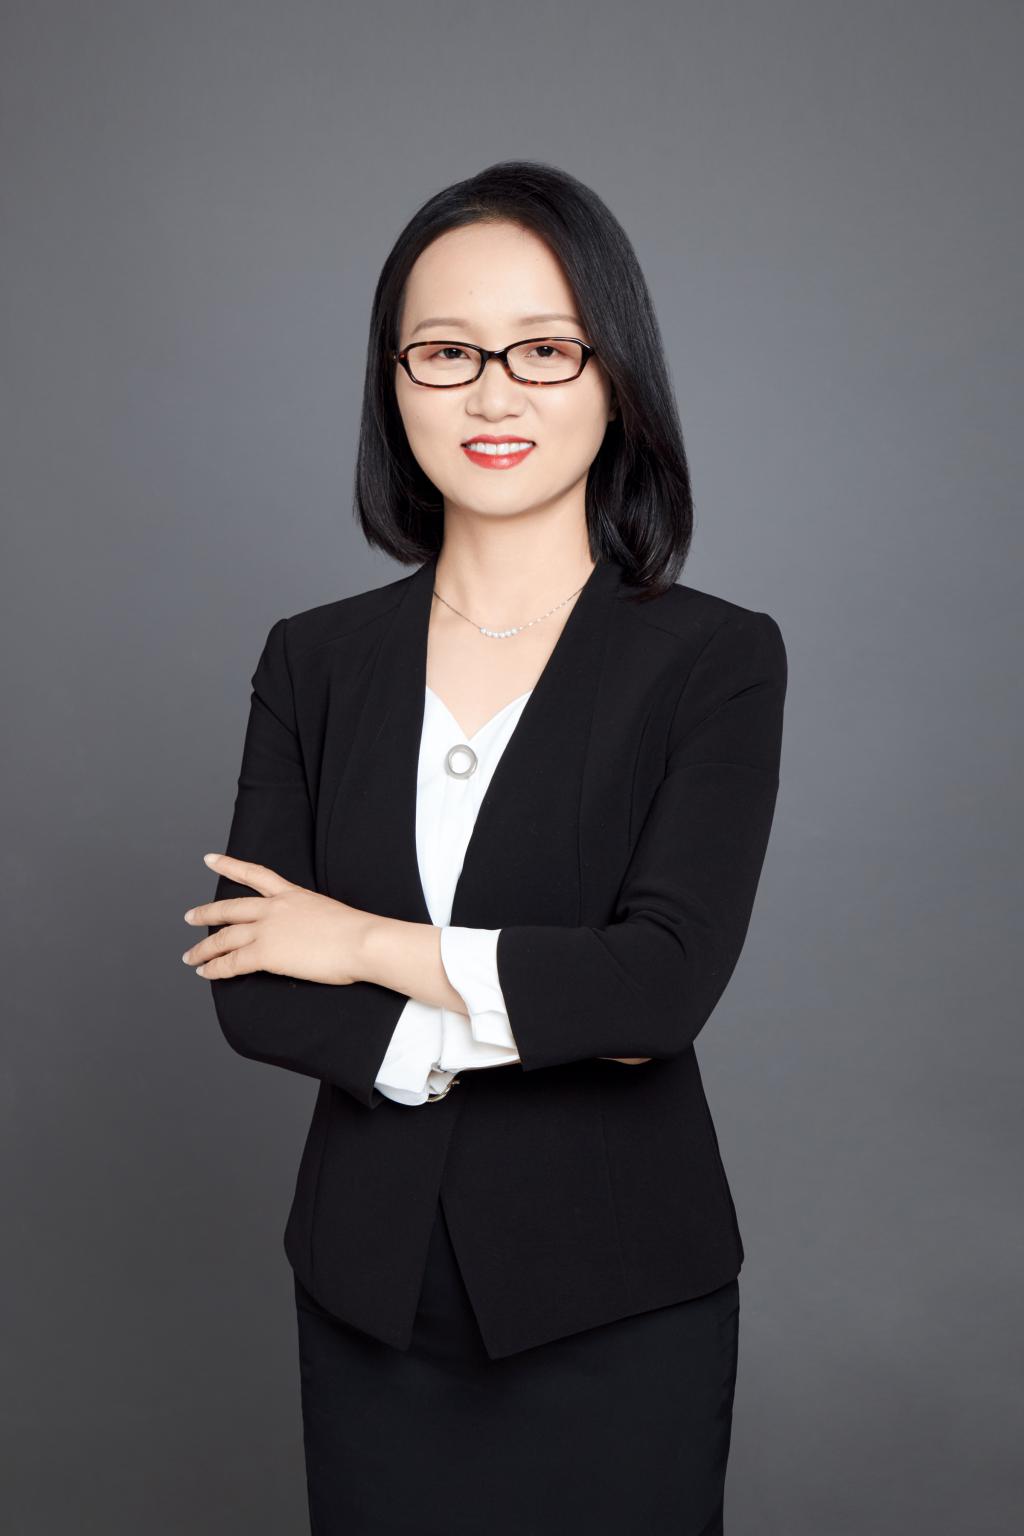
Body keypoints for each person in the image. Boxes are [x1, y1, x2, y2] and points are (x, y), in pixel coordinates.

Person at [182, 159, 788, 1535]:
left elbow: (660, 991)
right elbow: (250, 983)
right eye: (447, 352)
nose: (493, 394)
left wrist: (357, 944)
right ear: (394, 383)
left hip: (621, 1294)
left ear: (614, 378)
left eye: (545, 350)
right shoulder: (315, 660)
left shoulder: (715, 659)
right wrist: (542, 1010)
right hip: (368, 1291)